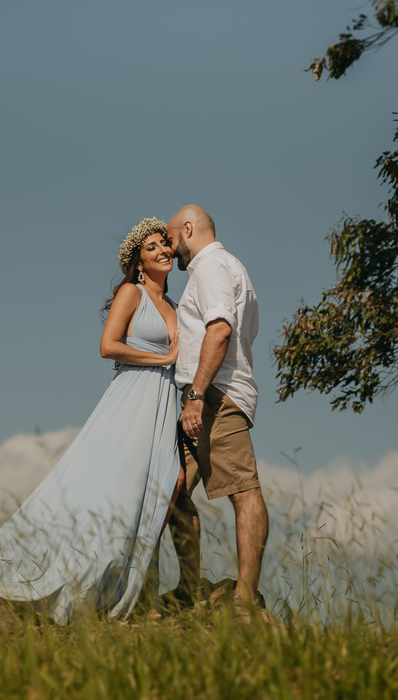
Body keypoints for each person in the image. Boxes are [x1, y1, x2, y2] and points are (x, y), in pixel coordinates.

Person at [0, 218, 184, 622]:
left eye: (164, 245)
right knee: (116, 492)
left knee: (157, 491)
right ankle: (70, 583)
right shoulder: (131, 293)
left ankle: (138, 593)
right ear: (139, 262)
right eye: (152, 247)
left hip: (161, 404)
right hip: (131, 400)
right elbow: (108, 346)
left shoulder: (173, 306)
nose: (162, 251)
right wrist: (163, 358)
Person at [165, 204, 268, 606]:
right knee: (170, 491)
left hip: (215, 397)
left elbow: (221, 329)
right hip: (207, 397)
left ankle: (244, 596)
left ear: (188, 229)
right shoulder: (226, 268)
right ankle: (189, 588)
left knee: (243, 491)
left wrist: (194, 396)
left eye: (172, 239)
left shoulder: (211, 267)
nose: (171, 251)